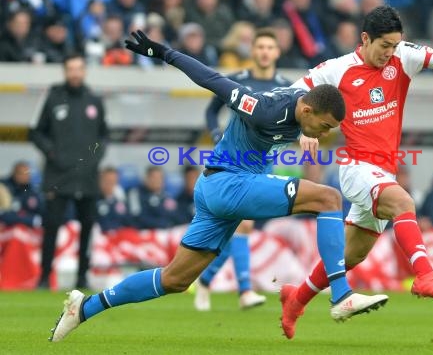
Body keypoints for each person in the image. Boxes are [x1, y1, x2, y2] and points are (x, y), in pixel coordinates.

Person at [49, 30, 388, 342]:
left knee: (175, 280)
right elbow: (213, 80)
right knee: (328, 198)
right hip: (230, 184)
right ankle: (341, 293)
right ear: (308, 109)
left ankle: (84, 308)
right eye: (324, 126)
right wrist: (163, 53)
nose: (325, 134)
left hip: (217, 191)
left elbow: (338, 74)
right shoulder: (264, 109)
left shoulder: (303, 103)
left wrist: (307, 128)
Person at [279, 5, 433, 339]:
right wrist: (303, 129)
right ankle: (425, 275)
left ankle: (296, 300)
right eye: (383, 46)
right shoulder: (338, 69)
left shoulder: (403, 56)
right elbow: (296, 92)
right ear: (364, 38)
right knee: (403, 203)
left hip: (383, 171)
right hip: (356, 167)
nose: (389, 53)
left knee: (352, 253)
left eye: (394, 45)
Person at [196, 28, 291, 311]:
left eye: (269, 47)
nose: (264, 51)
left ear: (276, 52)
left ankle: (205, 281)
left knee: (239, 227)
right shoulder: (238, 81)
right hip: (235, 161)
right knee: (244, 224)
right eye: (259, 46)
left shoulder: (286, 86)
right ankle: (245, 291)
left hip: (265, 161)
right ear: (253, 51)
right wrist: (215, 134)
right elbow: (212, 110)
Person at [30, 53, 108, 290]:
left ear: (84, 71)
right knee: (51, 226)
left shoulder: (94, 100)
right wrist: (53, 154)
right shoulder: (53, 97)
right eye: (70, 69)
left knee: (87, 227)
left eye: (79, 69)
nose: (75, 73)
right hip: (57, 176)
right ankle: (44, 277)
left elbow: (103, 135)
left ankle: (82, 277)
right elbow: (35, 133)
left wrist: (94, 158)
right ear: (65, 71)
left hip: (87, 177)